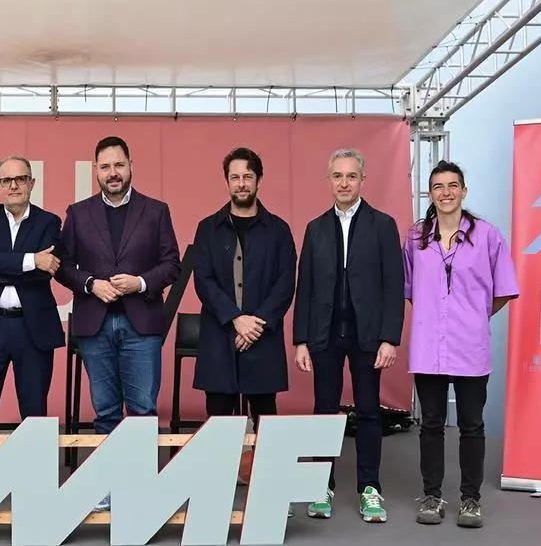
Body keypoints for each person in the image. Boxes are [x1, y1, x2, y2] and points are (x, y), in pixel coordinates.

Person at [54, 135, 182, 512]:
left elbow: (171, 264)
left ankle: (141, 489)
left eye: (119, 165)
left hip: (141, 323)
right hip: (95, 326)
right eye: (106, 166)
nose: (113, 173)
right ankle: (107, 486)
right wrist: (91, 284)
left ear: (131, 167)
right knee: (106, 411)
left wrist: (140, 282)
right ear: (96, 170)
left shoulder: (156, 211)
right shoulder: (78, 213)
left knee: (142, 410)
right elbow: (62, 266)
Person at [404, 160, 518, 529]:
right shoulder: (415, 238)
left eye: (453, 185)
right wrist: (435, 317)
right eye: (438, 186)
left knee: (471, 424)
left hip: (470, 346)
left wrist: (473, 315)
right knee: (431, 424)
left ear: (464, 191)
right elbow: (410, 289)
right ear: (430, 194)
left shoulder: (487, 236)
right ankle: (432, 495)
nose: (446, 192)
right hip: (428, 347)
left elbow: (503, 289)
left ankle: (471, 499)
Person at [292, 148, 404, 524]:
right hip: (324, 335)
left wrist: (390, 338)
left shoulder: (383, 225)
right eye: (337, 176)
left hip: (367, 335)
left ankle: (369, 488)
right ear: (329, 180)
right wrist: (301, 340)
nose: (344, 183)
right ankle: (321, 487)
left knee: (369, 411)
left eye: (351, 176)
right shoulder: (315, 228)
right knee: (324, 411)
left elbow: (393, 285)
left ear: (362, 180)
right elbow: (305, 286)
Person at [0, 155, 64, 470]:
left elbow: (45, 273)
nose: (13, 186)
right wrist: (31, 260)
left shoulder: (49, 222)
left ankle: (34, 484)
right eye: (6, 180)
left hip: (32, 328)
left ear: (32, 183)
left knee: (34, 414)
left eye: (20, 179)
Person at [191, 147, 296, 427]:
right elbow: (204, 281)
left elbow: (285, 284)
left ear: (259, 180)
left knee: (265, 427)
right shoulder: (207, 229)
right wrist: (237, 319)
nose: (241, 184)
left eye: (247, 177)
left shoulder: (279, 231)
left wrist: (256, 324)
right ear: (226, 181)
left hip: (263, 340)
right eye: (235, 177)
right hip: (219, 339)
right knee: (218, 426)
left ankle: (263, 463)